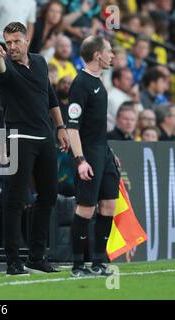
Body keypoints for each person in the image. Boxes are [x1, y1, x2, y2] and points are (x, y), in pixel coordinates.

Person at [0, 22, 70, 275]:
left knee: (48, 196)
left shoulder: (40, 62)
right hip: (18, 137)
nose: (12, 47)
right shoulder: (4, 64)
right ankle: (13, 260)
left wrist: (60, 128)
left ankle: (37, 256)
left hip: (46, 137)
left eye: (16, 41)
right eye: (8, 42)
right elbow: (0, 69)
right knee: (14, 200)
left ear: (27, 41)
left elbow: (50, 97)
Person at [66, 35, 120, 277]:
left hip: (103, 152)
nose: (112, 55)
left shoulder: (99, 82)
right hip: (87, 154)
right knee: (86, 209)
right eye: (109, 51)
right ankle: (78, 265)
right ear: (97, 54)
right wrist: (80, 161)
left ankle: (98, 261)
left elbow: (96, 126)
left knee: (109, 205)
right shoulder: (81, 84)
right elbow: (72, 128)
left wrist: (109, 153)